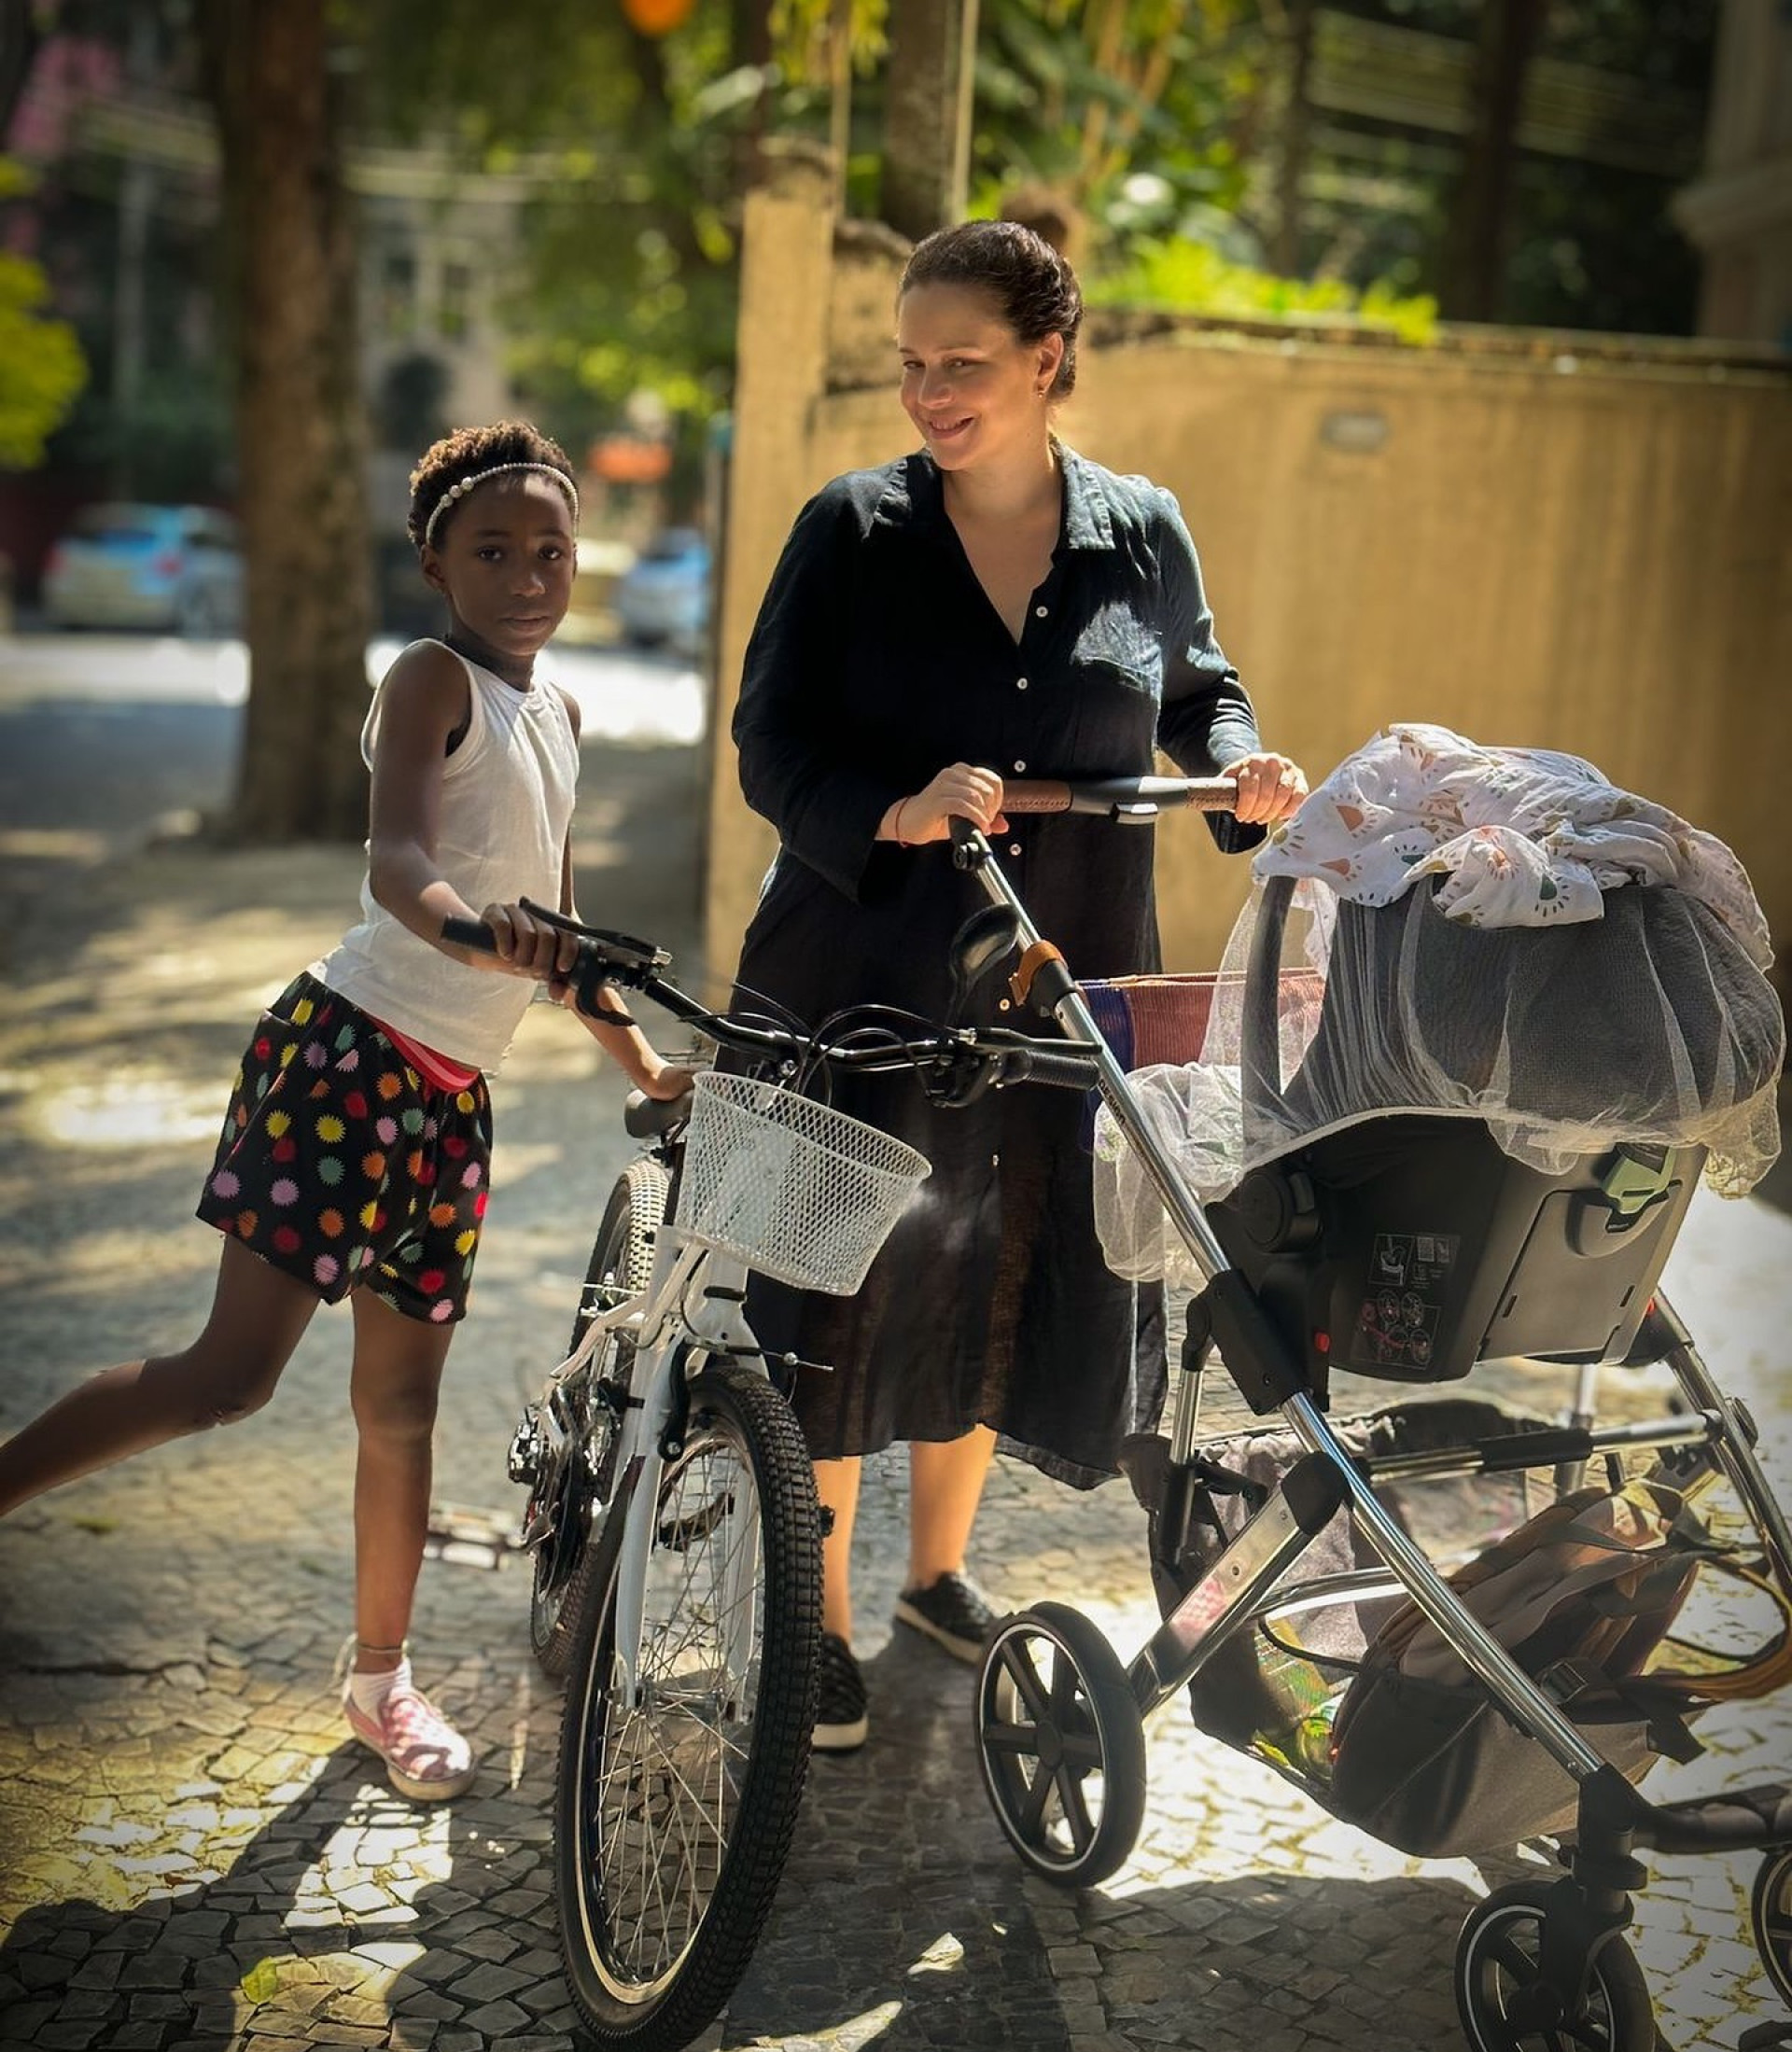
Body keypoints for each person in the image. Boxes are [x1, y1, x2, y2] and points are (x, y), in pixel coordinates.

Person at [0, 421, 693, 1803]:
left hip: (451, 1103)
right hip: (346, 1062)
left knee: (402, 1406)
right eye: (492, 550)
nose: (528, 576)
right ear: (436, 565)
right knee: (228, 1379)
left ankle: (382, 1683)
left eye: (551, 550)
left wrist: (647, 1067)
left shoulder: (560, 714)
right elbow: (397, 863)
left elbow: (557, 935)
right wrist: (480, 936)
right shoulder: (431, 678)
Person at [729, 219, 1307, 1752]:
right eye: (912, 365)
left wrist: (1241, 765)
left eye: (963, 364)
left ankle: (935, 1579)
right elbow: (769, 746)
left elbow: (1199, 688)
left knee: (1004, 1258)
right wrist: (897, 809)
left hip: (1060, 984)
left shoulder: (1144, 531)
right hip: (866, 970)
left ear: (1048, 360)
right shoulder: (850, 531)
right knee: (844, 1281)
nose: (930, 392)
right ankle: (814, 1620)